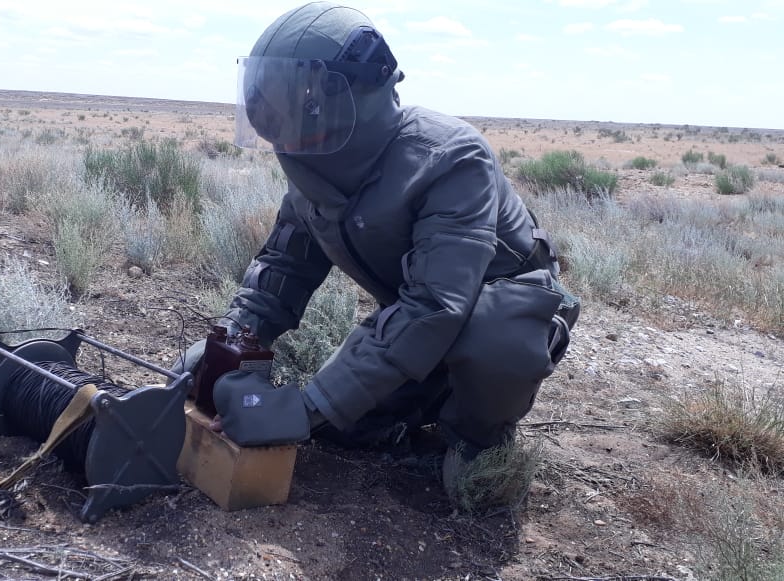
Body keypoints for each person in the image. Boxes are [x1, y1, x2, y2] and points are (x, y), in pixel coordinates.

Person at [176, 1, 580, 495]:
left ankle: (480, 438)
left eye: (299, 102)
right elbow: (282, 270)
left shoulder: (449, 158)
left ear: (354, 95)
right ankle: (431, 391)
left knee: (492, 340)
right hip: (426, 312)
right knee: (350, 427)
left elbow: (435, 304)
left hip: (506, 307)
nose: (284, 122)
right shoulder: (314, 166)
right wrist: (225, 344)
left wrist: (307, 407)